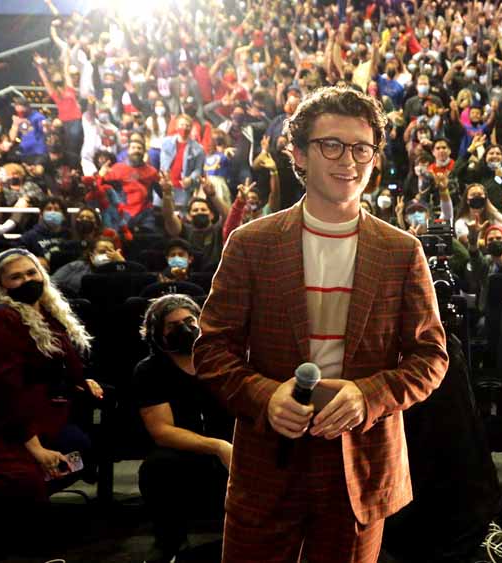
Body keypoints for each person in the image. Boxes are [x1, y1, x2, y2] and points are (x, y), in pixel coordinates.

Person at [194, 86, 449, 563]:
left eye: (361, 148)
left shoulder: (401, 251)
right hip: (269, 456)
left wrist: (367, 396)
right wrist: (266, 396)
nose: (348, 160)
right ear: (298, 154)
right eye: (331, 145)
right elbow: (211, 349)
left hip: (359, 464)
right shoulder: (251, 243)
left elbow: (431, 358)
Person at [0, 249, 101, 548]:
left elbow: (56, 363)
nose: (27, 280)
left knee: (79, 450)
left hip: (40, 411)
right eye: (16, 277)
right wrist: (35, 448)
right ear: (1, 285)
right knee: (22, 478)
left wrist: (80, 382)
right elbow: (5, 389)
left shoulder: (46, 311)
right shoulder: (0, 317)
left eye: (31, 273)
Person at [135, 295, 233, 563]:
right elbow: (162, 431)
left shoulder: (220, 361)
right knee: (157, 468)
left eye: (190, 321)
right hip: (186, 451)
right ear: (158, 333)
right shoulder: (149, 371)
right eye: (173, 325)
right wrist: (218, 447)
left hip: (234, 446)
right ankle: (170, 542)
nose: (185, 329)